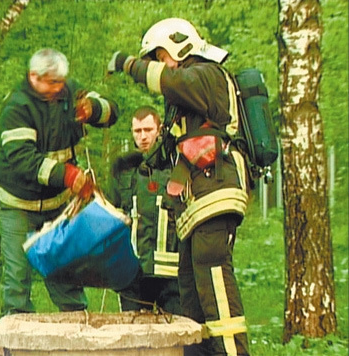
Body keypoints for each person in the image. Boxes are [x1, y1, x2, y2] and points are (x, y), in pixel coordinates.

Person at [107, 18, 250, 356]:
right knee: (191, 296)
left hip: (216, 195)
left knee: (216, 287)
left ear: (178, 46)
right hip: (194, 207)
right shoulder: (188, 99)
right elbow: (166, 151)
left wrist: (129, 64)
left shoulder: (206, 75)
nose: (159, 64)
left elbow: (172, 81)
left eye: (160, 56)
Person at [0, 48, 119, 315]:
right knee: (18, 274)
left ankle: (78, 326)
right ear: (33, 76)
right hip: (17, 202)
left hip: (57, 202)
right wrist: (70, 175)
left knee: (63, 266)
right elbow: (24, 160)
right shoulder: (16, 107)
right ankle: (16, 337)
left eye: (61, 82)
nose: (59, 88)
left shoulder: (69, 90)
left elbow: (112, 111)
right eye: (52, 83)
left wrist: (93, 109)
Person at [107, 106, 181, 315]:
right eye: (137, 131)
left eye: (148, 130)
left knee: (173, 333)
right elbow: (112, 214)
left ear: (159, 130)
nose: (143, 136)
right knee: (132, 333)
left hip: (170, 272)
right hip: (132, 270)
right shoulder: (122, 169)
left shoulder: (175, 165)